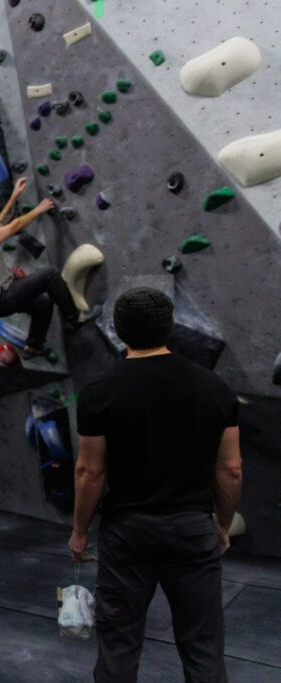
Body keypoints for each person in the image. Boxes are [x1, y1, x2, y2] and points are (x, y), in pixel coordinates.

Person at [69, 287, 243, 683]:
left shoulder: (100, 393)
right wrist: (221, 524)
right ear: (170, 327)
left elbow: (90, 473)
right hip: (192, 528)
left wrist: (80, 531)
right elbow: (231, 468)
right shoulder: (214, 388)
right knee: (203, 647)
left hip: (127, 532)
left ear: (117, 330)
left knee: (118, 644)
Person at [0, 177, 98, 356]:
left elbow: (0, 222)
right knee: (49, 275)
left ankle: (33, 345)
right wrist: (39, 209)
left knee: (43, 303)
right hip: (1, 299)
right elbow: (14, 226)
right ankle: (75, 318)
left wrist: (14, 195)